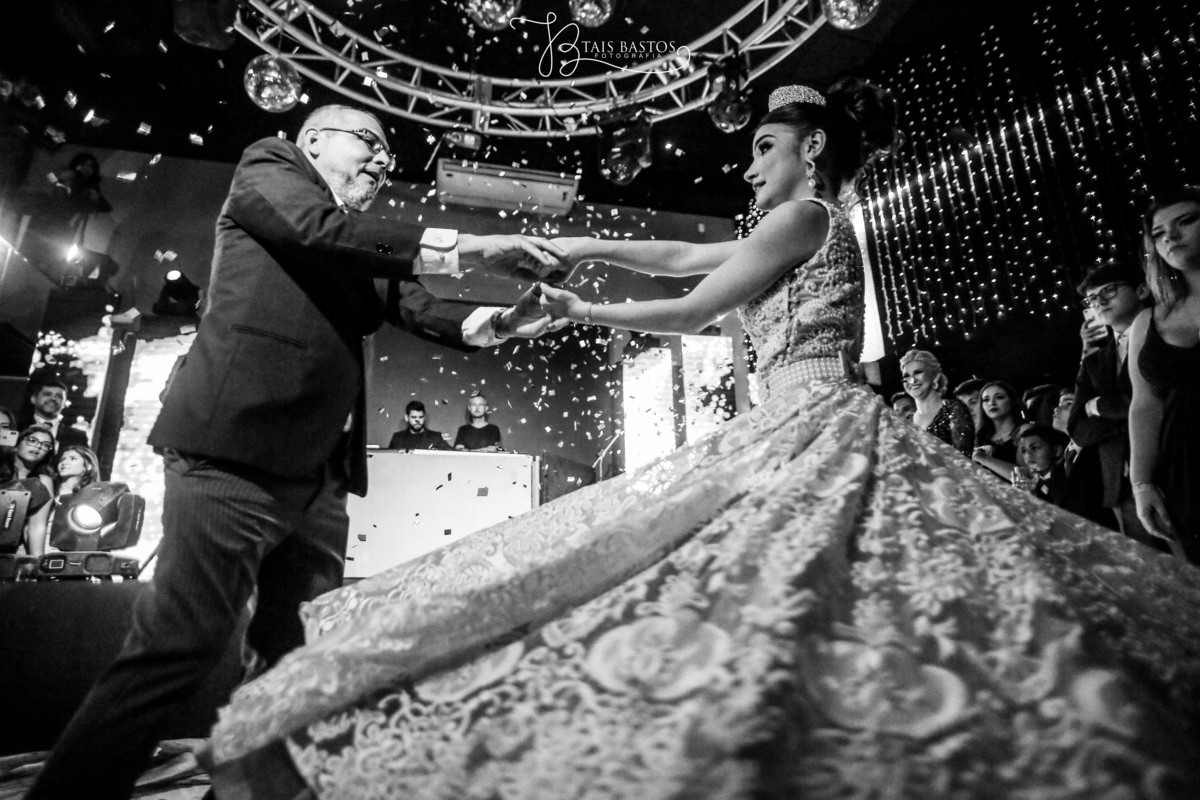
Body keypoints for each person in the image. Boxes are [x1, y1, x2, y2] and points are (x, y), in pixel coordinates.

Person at [205, 83, 1200, 798]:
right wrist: (578, 255)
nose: (748, 163)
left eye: (763, 145)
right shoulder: (793, 220)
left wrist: (580, 297)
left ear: (811, 150)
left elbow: (691, 302)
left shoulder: (808, 214)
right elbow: (684, 254)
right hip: (788, 423)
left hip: (820, 423)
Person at [26, 103, 570, 800]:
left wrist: (506, 320)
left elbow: (417, 304)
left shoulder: (356, 244)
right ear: (315, 140)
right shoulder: (272, 166)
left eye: (388, 157)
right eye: (370, 143)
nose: (382, 162)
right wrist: (475, 246)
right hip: (233, 452)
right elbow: (317, 231)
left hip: (320, 479)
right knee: (180, 645)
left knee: (293, 663)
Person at [1128, 186, 1200, 562]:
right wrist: (1141, 483)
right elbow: (1145, 405)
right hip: (1186, 471)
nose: (1170, 236)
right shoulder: (1147, 321)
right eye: (1158, 233)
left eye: (1186, 221)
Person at [1067, 263, 1158, 547]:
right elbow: (1077, 429)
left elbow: (1157, 399)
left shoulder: (1166, 333)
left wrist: (1096, 407)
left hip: (1173, 463)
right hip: (1120, 482)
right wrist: (1125, 413)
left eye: (1109, 291)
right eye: (1092, 299)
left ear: (1141, 290)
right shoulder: (1094, 361)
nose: (1100, 302)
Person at [898, 348, 973, 456]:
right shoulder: (908, 422)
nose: (912, 380)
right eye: (906, 376)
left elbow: (963, 459)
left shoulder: (954, 409)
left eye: (918, 372)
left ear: (935, 376)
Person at [0, 425, 55, 556]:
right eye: (32, 440)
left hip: (7, 553)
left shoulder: (42, 482)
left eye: (46, 445)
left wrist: (38, 563)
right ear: (16, 444)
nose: (38, 446)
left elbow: (36, 527)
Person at [972, 379, 1024, 480]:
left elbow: (1026, 477)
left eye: (999, 397)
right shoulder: (979, 435)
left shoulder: (1023, 431)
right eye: (986, 400)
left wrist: (983, 458)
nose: (991, 403)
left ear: (1012, 401)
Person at [17, 379, 88, 449]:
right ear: (33, 399)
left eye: (59, 396)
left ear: (64, 404)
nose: (53, 398)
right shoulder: (17, 428)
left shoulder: (77, 436)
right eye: (47, 394)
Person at [387, 400, 454, 451]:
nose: (417, 420)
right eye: (414, 417)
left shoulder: (436, 437)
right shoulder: (397, 438)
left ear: (424, 417)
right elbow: (389, 458)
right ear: (406, 418)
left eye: (420, 417)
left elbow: (451, 455)